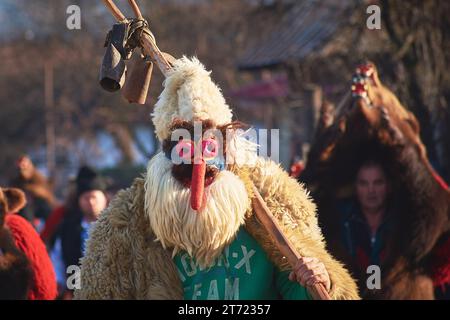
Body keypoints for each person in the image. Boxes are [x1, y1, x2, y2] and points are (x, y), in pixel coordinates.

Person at [74, 57, 359, 300]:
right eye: (185, 152)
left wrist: (318, 281)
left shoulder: (271, 208)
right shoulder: (130, 224)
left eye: (209, 149)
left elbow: (293, 287)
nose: (198, 170)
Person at [49, 166, 108, 299]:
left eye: (94, 197)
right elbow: (57, 260)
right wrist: (63, 287)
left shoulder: (118, 226)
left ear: (104, 198)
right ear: (79, 201)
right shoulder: (67, 229)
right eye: (86, 198)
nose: (91, 202)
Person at [10, 155, 58, 227]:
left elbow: (46, 193)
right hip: (26, 211)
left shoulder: (38, 178)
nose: (23, 170)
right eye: (21, 168)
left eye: (25, 167)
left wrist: (31, 190)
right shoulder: (16, 182)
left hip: (40, 206)